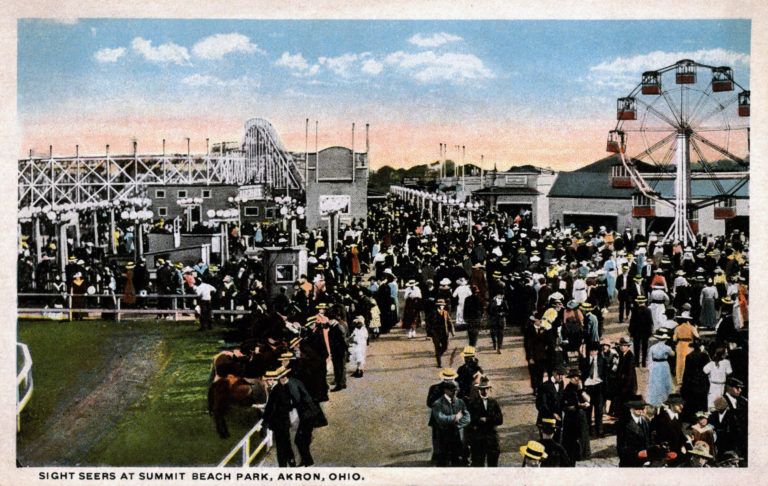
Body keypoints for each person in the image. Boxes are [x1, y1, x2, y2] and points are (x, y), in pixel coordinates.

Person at [262, 365, 325, 467]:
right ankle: (300, 462)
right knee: (293, 442)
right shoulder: (293, 383)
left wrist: (264, 424)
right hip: (295, 418)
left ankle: (297, 462)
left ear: (277, 378)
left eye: (269, 379)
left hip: (294, 418)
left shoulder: (279, 389)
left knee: (292, 442)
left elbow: (271, 407)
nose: (267, 382)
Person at [430, 381, 470, 466]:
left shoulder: (460, 402)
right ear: (445, 390)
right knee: (443, 461)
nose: (455, 392)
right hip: (443, 436)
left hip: (457, 436)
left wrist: (457, 425)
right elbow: (440, 418)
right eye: (452, 390)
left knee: (457, 461)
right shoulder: (438, 404)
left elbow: (467, 417)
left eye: (456, 390)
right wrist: (454, 417)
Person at [466, 377, 503, 467]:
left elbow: (500, 420)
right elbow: (469, 420)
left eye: (487, 388)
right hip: (478, 438)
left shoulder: (494, 402)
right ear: (479, 390)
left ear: (490, 389)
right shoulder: (472, 403)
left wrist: (487, 420)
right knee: (478, 464)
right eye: (482, 389)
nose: (485, 391)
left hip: (492, 438)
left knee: (493, 464)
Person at [427, 368, 458, 463]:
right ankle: (442, 456)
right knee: (443, 437)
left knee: (441, 438)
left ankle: (442, 456)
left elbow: (429, 403)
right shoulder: (453, 389)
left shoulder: (434, 388)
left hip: (441, 418)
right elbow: (429, 402)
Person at [561, 368, 591, 462]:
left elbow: (588, 399)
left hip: (580, 416)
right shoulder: (568, 389)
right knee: (572, 438)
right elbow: (568, 406)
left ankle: (584, 454)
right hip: (571, 417)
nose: (576, 379)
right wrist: (580, 406)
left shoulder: (579, 388)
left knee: (583, 435)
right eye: (574, 378)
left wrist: (581, 390)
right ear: (570, 378)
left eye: (577, 377)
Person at [580, 343, 607, 437]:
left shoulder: (601, 360)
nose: (593, 353)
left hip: (598, 386)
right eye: (591, 351)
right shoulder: (585, 360)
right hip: (588, 387)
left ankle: (599, 429)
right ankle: (588, 430)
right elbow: (582, 372)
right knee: (588, 408)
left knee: (599, 409)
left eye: (595, 351)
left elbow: (605, 374)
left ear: (598, 351)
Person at [618, 396, 650, 467]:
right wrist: (637, 454)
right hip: (630, 462)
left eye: (642, 408)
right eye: (637, 408)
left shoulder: (645, 421)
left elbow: (648, 440)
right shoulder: (624, 424)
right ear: (631, 409)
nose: (641, 411)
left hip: (644, 461)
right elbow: (621, 448)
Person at [646, 329, 675, 407]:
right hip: (663, 364)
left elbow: (649, 359)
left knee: (656, 383)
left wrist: (650, 367)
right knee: (664, 382)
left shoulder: (652, 347)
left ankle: (655, 401)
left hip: (655, 365)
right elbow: (672, 354)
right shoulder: (667, 347)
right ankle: (664, 400)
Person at [536, 366, 565, 438]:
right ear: (554, 373)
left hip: (558, 418)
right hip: (546, 418)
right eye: (559, 375)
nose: (561, 377)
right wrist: (552, 413)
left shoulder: (561, 383)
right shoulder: (544, 386)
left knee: (557, 439)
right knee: (546, 440)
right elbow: (541, 404)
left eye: (562, 375)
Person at [426, 299, 454, 368]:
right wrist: (428, 334)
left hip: (444, 333)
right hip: (436, 333)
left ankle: (438, 355)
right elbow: (428, 324)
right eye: (440, 305)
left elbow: (449, 322)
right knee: (437, 347)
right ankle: (439, 363)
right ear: (437, 306)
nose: (442, 306)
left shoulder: (445, 313)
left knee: (445, 347)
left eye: (443, 305)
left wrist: (452, 331)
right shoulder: (432, 313)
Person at [673, 311, 699, 383]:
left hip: (680, 344)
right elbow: (697, 336)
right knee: (687, 362)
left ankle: (679, 379)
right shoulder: (692, 327)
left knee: (679, 362)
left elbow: (674, 339)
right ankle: (688, 378)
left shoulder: (677, 328)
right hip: (689, 344)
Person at [629, 296, 653, 367]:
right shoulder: (648, 310)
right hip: (645, 332)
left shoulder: (634, 310)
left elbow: (632, 322)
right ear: (644, 302)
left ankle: (636, 362)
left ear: (638, 302)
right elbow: (650, 322)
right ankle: (643, 362)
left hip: (636, 332)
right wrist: (650, 332)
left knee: (636, 347)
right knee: (644, 347)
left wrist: (631, 331)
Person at [327, 317, 348, 392]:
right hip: (338, 350)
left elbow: (343, 339)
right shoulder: (335, 327)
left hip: (338, 351)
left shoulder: (337, 327)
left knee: (338, 368)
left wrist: (346, 349)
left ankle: (339, 384)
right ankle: (343, 383)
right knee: (341, 367)